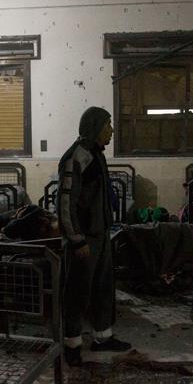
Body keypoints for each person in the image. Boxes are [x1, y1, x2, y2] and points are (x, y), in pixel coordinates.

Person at [57, 106, 132, 366]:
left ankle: (103, 337)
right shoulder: (76, 157)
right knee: (77, 292)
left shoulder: (96, 154)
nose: (111, 130)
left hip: (100, 234)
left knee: (102, 287)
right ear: (95, 127)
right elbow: (65, 203)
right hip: (84, 238)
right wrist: (76, 239)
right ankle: (72, 345)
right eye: (107, 125)